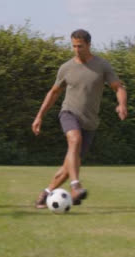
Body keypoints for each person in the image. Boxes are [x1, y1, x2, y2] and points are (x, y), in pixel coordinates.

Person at [32, 29, 128, 208]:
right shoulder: (66, 67)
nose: (77, 50)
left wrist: (122, 104)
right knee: (74, 139)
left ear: (89, 45)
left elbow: (119, 88)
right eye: (74, 46)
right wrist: (39, 116)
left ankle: (45, 194)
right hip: (69, 113)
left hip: (90, 121)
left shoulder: (102, 65)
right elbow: (53, 93)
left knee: (70, 165)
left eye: (80, 46)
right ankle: (76, 186)